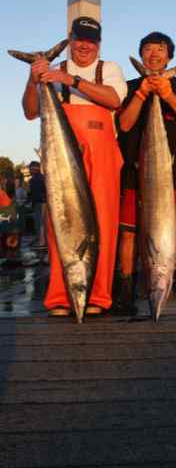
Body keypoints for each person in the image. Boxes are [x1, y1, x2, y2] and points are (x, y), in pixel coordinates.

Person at [22, 16, 127, 317]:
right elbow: (30, 111)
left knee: (104, 226)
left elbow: (115, 100)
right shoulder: (53, 73)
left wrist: (73, 81)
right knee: (60, 222)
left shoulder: (108, 69)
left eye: (90, 41)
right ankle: (59, 296)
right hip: (62, 154)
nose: (84, 46)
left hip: (102, 158)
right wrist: (34, 79)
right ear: (70, 40)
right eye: (79, 39)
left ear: (99, 44)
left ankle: (99, 296)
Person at [116, 31, 176, 315]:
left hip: (173, 174)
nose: (154, 55)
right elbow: (125, 125)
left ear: (169, 57)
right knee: (128, 235)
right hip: (133, 172)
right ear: (141, 56)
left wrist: (165, 93)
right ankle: (127, 290)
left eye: (160, 50)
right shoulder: (128, 87)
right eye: (148, 50)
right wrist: (143, 94)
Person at [27, 161, 46, 248]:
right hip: (41, 202)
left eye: (30, 168)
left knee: (40, 223)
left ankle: (42, 241)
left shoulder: (34, 180)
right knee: (39, 222)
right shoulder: (42, 178)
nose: (29, 171)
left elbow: (33, 193)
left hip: (41, 203)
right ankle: (41, 239)